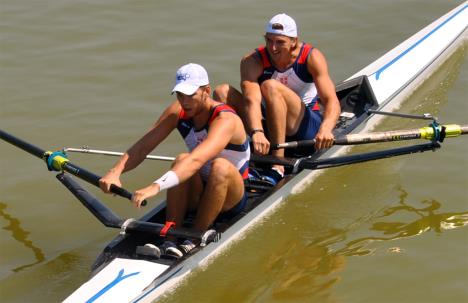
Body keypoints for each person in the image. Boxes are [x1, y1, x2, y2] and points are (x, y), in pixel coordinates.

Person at [99, 63, 250, 258]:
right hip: (199, 191)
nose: (185, 102)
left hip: (231, 196)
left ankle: (194, 239)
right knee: (181, 158)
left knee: (218, 166)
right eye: (180, 95)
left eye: (190, 95)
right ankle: (169, 237)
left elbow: (197, 160)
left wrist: (155, 186)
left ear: (206, 91)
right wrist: (115, 172)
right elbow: (143, 146)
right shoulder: (177, 112)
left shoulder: (225, 119)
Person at [214, 13, 341, 183]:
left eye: (280, 42)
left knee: (270, 86)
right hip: (269, 126)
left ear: (293, 41)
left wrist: (326, 129)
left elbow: (332, 101)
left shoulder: (311, 57)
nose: (273, 48)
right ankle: (236, 157)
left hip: (305, 128)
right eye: (269, 40)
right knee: (222, 92)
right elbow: (251, 100)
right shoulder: (252, 60)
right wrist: (257, 131)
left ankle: (277, 165)